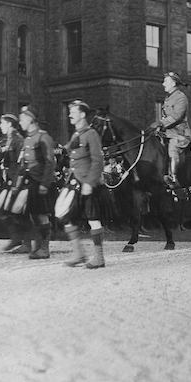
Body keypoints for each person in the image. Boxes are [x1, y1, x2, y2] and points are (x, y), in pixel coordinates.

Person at [61, 100, 106, 268]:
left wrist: (89, 182)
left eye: (73, 112)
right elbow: (68, 150)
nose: (70, 114)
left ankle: (99, 257)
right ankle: (78, 253)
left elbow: (98, 161)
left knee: (93, 219)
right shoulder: (76, 134)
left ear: (82, 114)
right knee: (67, 215)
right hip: (74, 182)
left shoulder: (91, 134)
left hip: (87, 184)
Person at [17, 105, 56, 259]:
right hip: (31, 182)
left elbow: (49, 162)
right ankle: (37, 246)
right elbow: (24, 163)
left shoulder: (43, 137)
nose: (20, 122)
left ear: (30, 120)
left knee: (42, 215)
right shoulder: (28, 138)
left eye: (22, 119)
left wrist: (45, 184)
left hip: (41, 183)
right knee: (34, 214)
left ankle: (44, 248)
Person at [150, 72, 191, 189]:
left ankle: (174, 178)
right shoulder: (168, 98)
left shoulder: (180, 97)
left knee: (172, 149)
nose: (163, 84)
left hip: (179, 134)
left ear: (173, 83)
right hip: (167, 133)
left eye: (166, 81)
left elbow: (177, 116)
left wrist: (160, 123)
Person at [0, 113, 25, 251]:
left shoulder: (18, 140)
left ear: (9, 124)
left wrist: (17, 184)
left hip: (17, 181)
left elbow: (21, 163)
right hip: (8, 181)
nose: (0, 126)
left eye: (2, 123)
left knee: (17, 211)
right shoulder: (6, 140)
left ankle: (25, 241)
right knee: (2, 209)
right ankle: (17, 237)